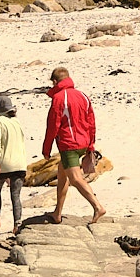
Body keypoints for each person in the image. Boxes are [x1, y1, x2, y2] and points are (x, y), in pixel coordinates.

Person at [43, 67, 105, 224]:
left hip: (69, 144)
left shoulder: (58, 98)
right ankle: (57, 213)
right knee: (62, 174)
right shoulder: (82, 96)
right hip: (83, 142)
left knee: (75, 178)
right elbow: (91, 122)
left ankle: (98, 207)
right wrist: (91, 145)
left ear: (55, 82)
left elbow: (52, 126)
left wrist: (46, 149)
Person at [0, 95, 30, 232]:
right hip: (20, 163)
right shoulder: (16, 122)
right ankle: (17, 225)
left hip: (4, 163)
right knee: (15, 195)